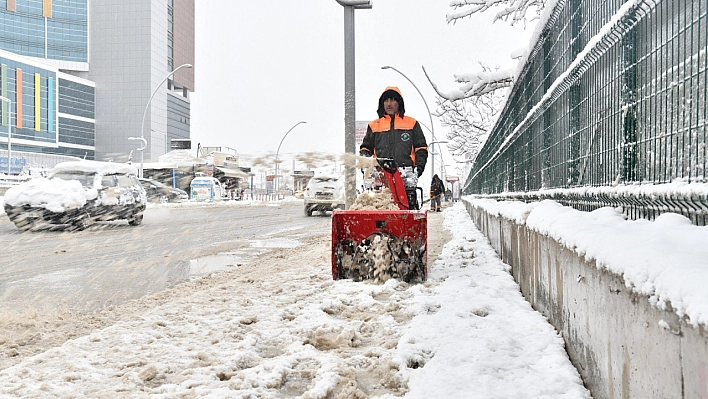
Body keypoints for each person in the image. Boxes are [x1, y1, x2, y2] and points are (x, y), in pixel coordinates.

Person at [360, 87, 429, 209]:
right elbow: (366, 148)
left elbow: (421, 148)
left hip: (406, 172)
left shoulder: (411, 123)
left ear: (399, 103)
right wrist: (366, 165)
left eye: (392, 100)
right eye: (386, 101)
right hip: (380, 173)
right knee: (380, 208)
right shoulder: (374, 125)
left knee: (407, 208)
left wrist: (418, 170)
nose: (389, 104)